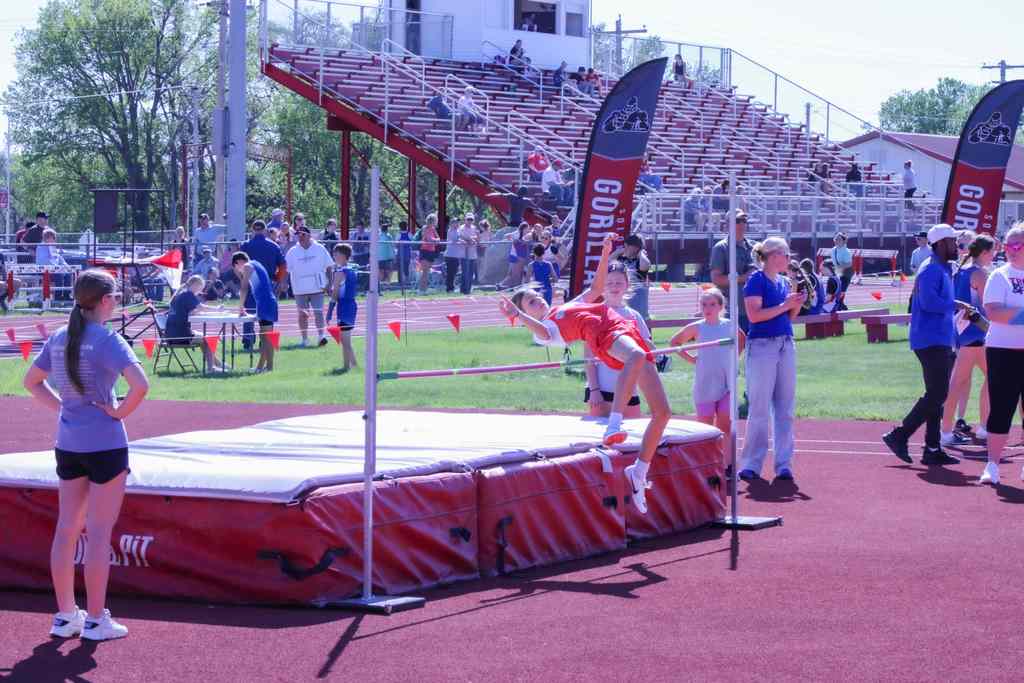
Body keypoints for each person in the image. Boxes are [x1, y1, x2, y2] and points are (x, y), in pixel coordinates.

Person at [500, 234, 670, 514]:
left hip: (623, 327)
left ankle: (639, 472)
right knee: (637, 357)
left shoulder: (566, 306)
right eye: (530, 303)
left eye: (536, 297)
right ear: (524, 314)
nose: (538, 301)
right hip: (605, 334)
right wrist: (519, 316)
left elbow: (597, 288)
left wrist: (605, 252)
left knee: (662, 412)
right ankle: (614, 425)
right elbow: (542, 331)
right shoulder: (546, 330)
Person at [22, 269, 148, 641]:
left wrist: (63, 408)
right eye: (117, 297)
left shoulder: (60, 337)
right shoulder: (108, 340)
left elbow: (31, 382)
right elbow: (141, 385)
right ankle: (95, 620)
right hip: (105, 444)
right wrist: (119, 413)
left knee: (67, 529)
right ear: (105, 301)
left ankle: (65, 616)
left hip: (69, 444)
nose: (118, 303)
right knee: (98, 532)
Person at [881, 224, 967, 466]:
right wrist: (955, 305)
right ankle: (900, 435)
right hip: (930, 339)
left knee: (937, 395)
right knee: (937, 393)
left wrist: (956, 306)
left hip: (941, 338)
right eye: (953, 241)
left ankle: (932, 448)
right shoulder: (931, 269)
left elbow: (939, 301)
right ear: (941, 244)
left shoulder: (942, 268)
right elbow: (929, 303)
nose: (957, 245)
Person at [738, 237, 805, 482]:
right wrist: (785, 304)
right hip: (762, 345)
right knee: (759, 408)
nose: (789, 259)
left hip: (785, 343)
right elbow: (754, 316)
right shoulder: (756, 280)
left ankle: (784, 464)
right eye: (786, 255)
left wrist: (795, 303)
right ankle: (751, 464)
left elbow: (789, 316)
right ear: (774, 255)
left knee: (785, 408)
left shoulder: (784, 282)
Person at [671, 287, 746, 462]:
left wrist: (734, 359)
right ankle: (706, 465)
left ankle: (727, 465)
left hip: (726, 385)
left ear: (720, 306)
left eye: (712, 304)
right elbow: (674, 342)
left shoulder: (729, 325)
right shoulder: (697, 327)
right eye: (704, 305)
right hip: (705, 386)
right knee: (705, 430)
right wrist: (691, 359)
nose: (708, 308)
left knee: (725, 427)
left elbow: (742, 339)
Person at [978, 224, 1024, 484]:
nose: (1010, 250)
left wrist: (1015, 314)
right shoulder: (999, 276)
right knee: (1001, 408)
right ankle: (992, 465)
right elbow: (994, 312)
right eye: (1007, 246)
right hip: (1003, 352)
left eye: (1017, 246)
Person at [941, 233, 995, 446]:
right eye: (992, 252)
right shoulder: (980, 274)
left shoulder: (961, 270)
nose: (994, 255)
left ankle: (982, 427)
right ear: (984, 252)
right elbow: (988, 306)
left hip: (963, 331)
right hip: (976, 333)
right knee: (958, 383)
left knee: (989, 377)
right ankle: (947, 431)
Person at [585, 262, 653, 420]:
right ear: (602, 286)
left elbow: (646, 347)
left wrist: (660, 355)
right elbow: (588, 357)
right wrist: (594, 390)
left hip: (630, 389)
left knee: (631, 431)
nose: (614, 287)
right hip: (602, 389)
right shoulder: (595, 315)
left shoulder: (634, 316)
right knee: (600, 433)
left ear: (627, 285)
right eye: (609, 283)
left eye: (618, 282)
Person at [165, 275, 227, 371]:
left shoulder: (180, 294)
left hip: (170, 335)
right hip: (181, 335)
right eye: (201, 288)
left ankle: (217, 364)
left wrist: (209, 311)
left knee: (204, 338)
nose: (201, 291)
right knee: (209, 339)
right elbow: (200, 307)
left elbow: (190, 312)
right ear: (195, 285)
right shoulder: (188, 294)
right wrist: (217, 309)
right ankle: (211, 368)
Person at [241, 220, 286, 351]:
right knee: (267, 313)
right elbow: (283, 265)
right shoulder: (273, 245)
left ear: (252, 230)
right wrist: (278, 279)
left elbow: (240, 264)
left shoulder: (246, 245)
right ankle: (266, 342)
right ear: (265, 230)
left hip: (251, 283)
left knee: (249, 311)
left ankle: (248, 340)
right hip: (268, 282)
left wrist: (243, 279)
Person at [285, 224, 333, 347]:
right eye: (298, 235)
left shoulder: (320, 248)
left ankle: (321, 336)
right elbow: (286, 269)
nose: (300, 237)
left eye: (303, 234)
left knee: (318, 312)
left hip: (317, 287)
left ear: (309, 235)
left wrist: (330, 284)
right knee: (302, 315)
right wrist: (284, 283)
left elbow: (329, 267)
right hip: (299, 288)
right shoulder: (292, 251)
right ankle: (304, 339)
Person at [709, 210, 756, 332]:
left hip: (757, 309)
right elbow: (716, 279)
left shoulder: (755, 247)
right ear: (727, 225)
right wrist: (744, 277)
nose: (742, 224)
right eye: (737, 221)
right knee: (734, 343)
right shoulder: (721, 248)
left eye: (744, 221)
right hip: (735, 311)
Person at [232, 251, 279, 374]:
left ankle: (269, 368)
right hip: (265, 303)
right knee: (264, 337)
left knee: (266, 338)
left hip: (266, 303)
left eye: (236, 267)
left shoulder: (248, 266)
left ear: (238, 262)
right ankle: (261, 367)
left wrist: (240, 307)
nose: (238, 271)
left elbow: (244, 287)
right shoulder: (256, 264)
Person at [329, 243, 360, 372]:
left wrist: (330, 310)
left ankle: (347, 366)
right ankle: (353, 365)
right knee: (346, 339)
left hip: (344, 306)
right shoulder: (352, 270)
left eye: (336, 254)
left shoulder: (340, 273)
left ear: (343, 255)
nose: (334, 256)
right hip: (351, 305)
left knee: (345, 340)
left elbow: (335, 293)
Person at [612, 234, 652, 322]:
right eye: (632, 247)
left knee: (640, 322)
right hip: (623, 299)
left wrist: (641, 253)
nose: (634, 250)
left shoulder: (640, 259)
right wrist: (618, 252)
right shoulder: (620, 259)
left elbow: (645, 266)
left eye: (637, 248)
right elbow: (608, 263)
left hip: (638, 299)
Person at [501, 222, 533, 289]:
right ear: (523, 228)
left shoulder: (528, 235)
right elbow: (507, 236)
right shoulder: (517, 233)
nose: (528, 230)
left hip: (522, 257)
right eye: (526, 228)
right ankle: (502, 285)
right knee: (512, 273)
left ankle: (512, 286)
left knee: (518, 273)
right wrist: (514, 239)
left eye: (528, 228)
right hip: (514, 256)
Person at [417, 213, 441, 294]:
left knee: (427, 272)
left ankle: (424, 289)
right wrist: (435, 240)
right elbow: (429, 238)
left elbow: (438, 238)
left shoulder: (433, 229)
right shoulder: (425, 228)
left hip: (431, 251)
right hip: (425, 251)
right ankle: (421, 289)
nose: (435, 222)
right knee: (424, 272)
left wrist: (435, 240)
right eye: (434, 220)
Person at [830, 232, 853, 311]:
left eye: (839, 239)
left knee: (841, 290)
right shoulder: (833, 250)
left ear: (844, 241)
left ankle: (840, 305)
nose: (836, 241)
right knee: (836, 289)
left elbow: (849, 264)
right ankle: (841, 305)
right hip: (837, 272)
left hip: (846, 273)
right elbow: (833, 262)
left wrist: (839, 267)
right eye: (836, 239)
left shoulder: (846, 251)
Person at [458, 213, 479, 294]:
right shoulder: (461, 228)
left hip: (473, 254)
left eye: (471, 219)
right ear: (465, 220)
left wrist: (473, 239)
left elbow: (477, 237)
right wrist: (469, 239)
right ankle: (463, 290)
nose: (470, 221)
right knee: (465, 272)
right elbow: (460, 237)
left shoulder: (474, 228)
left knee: (471, 273)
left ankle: (468, 290)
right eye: (468, 219)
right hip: (464, 253)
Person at [444, 218, 464, 293]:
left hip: (456, 255)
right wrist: (462, 240)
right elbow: (455, 239)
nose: (457, 224)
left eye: (458, 222)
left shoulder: (458, 231)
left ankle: (452, 287)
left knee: (455, 272)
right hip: (450, 255)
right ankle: (449, 288)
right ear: (452, 223)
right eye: (455, 222)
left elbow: (460, 238)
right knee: (450, 272)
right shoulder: (450, 230)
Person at [397, 221, 413, 286]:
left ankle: (402, 281)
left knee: (402, 267)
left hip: (403, 254)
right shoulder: (409, 234)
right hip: (406, 254)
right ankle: (405, 281)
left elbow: (396, 244)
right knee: (405, 267)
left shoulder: (399, 235)